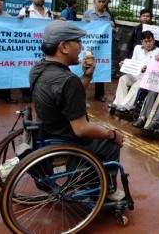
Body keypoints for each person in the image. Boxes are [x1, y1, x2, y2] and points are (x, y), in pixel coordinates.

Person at [29, 20, 125, 201]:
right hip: (68, 140)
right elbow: (81, 129)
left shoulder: (38, 69)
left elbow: (67, 98)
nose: (81, 47)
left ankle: (90, 181)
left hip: (48, 132)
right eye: (77, 42)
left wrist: (87, 75)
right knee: (110, 142)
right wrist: (112, 134)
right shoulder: (67, 80)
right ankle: (106, 189)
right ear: (64, 47)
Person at [110, 31, 159, 112]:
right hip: (135, 75)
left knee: (137, 85)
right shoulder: (137, 48)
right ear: (142, 42)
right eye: (146, 41)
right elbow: (133, 62)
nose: (148, 44)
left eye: (150, 41)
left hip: (147, 78)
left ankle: (126, 106)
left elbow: (158, 68)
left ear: (154, 40)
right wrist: (124, 65)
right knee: (123, 79)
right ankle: (118, 104)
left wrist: (147, 69)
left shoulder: (158, 51)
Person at [18, 0, 53, 103]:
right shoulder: (25, 11)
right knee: (27, 69)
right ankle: (26, 93)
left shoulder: (49, 13)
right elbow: (18, 29)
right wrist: (18, 20)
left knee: (43, 70)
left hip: (44, 47)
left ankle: (41, 92)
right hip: (28, 48)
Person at [82, 0, 116, 102]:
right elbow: (81, 29)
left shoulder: (107, 16)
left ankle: (99, 94)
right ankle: (81, 91)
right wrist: (85, 23)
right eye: (99, 1)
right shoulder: (88, 14)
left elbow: (113, 30)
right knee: (86, 67)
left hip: (102, 48)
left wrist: (112, 27)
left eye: (103, 2)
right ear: (94, 2)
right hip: (90, 47)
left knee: (100, 67)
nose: (101, 4)